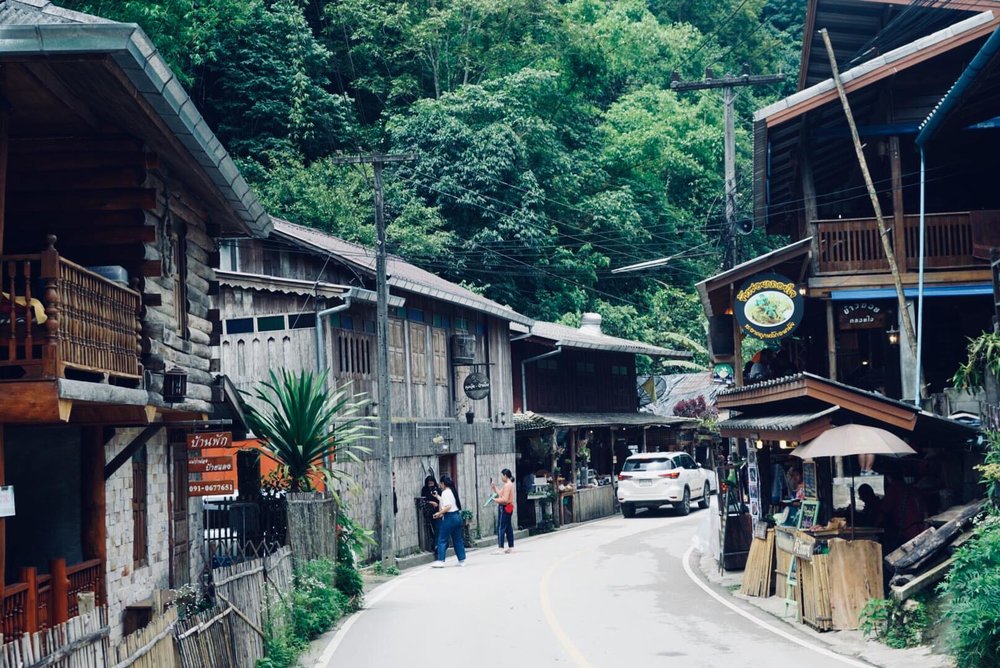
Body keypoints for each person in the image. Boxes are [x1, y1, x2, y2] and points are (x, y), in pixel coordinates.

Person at [431, 475, 466, 568]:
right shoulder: (452, 491)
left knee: (442, 539)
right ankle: (462, 560)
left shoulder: (445, 492)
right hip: (457, 516)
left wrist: (439, 513)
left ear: (443, 483)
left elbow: (448, 506)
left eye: (440, 483)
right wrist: (437, 496)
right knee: (457, 539)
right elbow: (449, 503)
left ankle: (441, 560)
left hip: (449, 518)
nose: (439, 485)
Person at [491, 468, 515, 554]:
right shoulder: (509, 484)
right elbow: (501, 493)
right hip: (509, 507)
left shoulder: (507, 485)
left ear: (505, 476)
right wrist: (494, 487)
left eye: (502, 476)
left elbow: (504, 499)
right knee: (508, 527)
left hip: (504, 507)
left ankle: (501, 547)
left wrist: (495, 500)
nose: (501, 478)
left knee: (501, 527)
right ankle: (511, 546)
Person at [420, 475, 441, 553]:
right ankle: (432, 545)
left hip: (438, 511)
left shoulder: (437, 489)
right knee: (430, 530)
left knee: (438, 528)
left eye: (432, 483)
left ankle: (436, 546)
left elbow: (441, 500)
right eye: (429, 484)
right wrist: (431, 502)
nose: (430, 485)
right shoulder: (424, 490)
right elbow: (423, 500)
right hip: (428, 511)